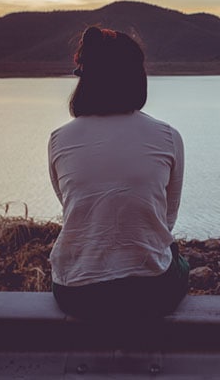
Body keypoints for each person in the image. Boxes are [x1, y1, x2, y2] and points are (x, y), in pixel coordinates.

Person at [48, 26, 188, 320]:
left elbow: (72, 206)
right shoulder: (167, 136)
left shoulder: (59, 139)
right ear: (136, 77)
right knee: (179, 262)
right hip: (151, 294)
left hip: (75, 293)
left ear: (84, 79)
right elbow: (167, 219)